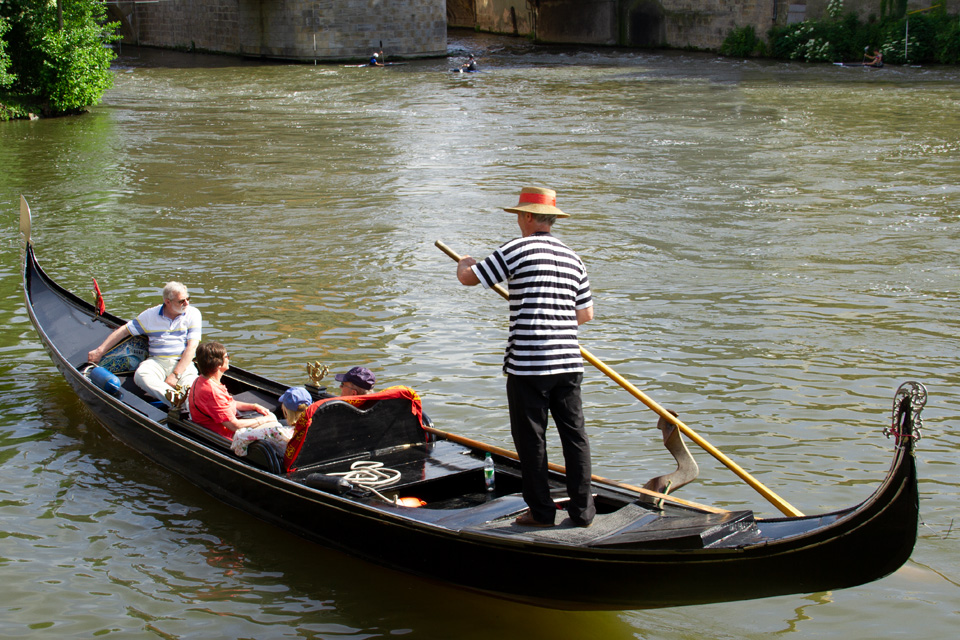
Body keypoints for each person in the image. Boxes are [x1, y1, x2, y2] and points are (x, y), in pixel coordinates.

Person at [456, 186, 596, 528]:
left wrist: (465, 263)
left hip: (528, 363)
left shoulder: (515, 249)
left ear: (529, 217)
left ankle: (541, 512)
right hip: (567, 362)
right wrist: (554, 315)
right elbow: (586, 314)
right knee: (574, 436)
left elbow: (469, 279)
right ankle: (583, 511)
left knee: (532, 440)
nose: (518, 219)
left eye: (520, 214)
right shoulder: (573, 256)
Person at [87, 281, 201, 405]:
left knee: (191, 391)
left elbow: (192, 347)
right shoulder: (150, 315)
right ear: (167, 302)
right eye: (181, 301)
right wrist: (100, 351)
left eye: (188, 299)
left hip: (184, 363)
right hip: (157, 361)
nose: (187, 303)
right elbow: (124, 331)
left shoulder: (193, 313)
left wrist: (175, 374)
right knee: (141, 375)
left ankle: (180, 401)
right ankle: (177, 402)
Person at [188, 341, 292, 457]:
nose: (228, 358)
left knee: (276, 422)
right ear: (218, 365)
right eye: (226, 356)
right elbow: (234, 425)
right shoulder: (212, 392)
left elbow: (229, 403)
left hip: (227, 428)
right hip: (229, 437)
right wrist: (264, 420)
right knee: (274, 425)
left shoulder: (202, 380)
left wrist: (254, 406)